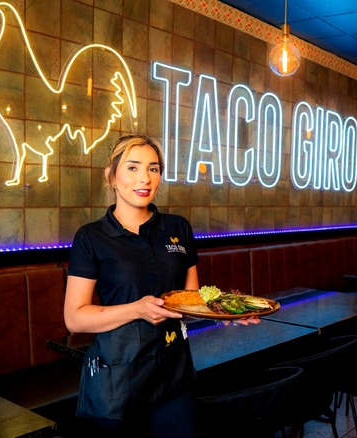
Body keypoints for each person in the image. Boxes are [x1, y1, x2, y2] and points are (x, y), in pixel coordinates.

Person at [63, 134, 258, 438]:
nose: (145, 178)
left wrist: (227, 313)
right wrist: (137, 310)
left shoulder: (177, 227)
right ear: (111, 176)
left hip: (173, 374)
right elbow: (75, 318)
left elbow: (191, 301)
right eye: (132, 167)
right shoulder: (91, 237)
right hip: (116, 379)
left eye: (153, 169)